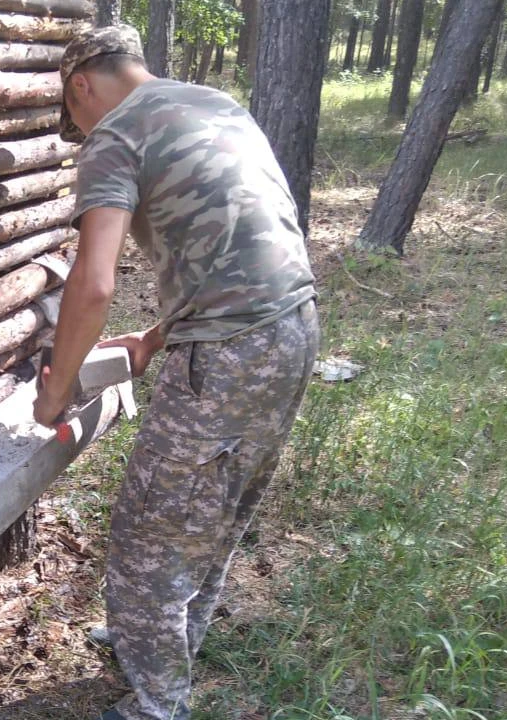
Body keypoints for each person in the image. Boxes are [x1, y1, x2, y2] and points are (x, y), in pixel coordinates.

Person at [32, 25, 320, 720]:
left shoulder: (115, 137)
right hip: (294, 325)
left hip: (228, 351)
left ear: (81, 86)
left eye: (74, 117)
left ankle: (157, 702)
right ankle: (160, 638)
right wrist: (159, 334)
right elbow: (242, 233)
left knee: (148, 531)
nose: (80, 128)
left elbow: (93, 284)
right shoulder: (214, 102)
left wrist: (58, 390)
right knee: (217, 508)